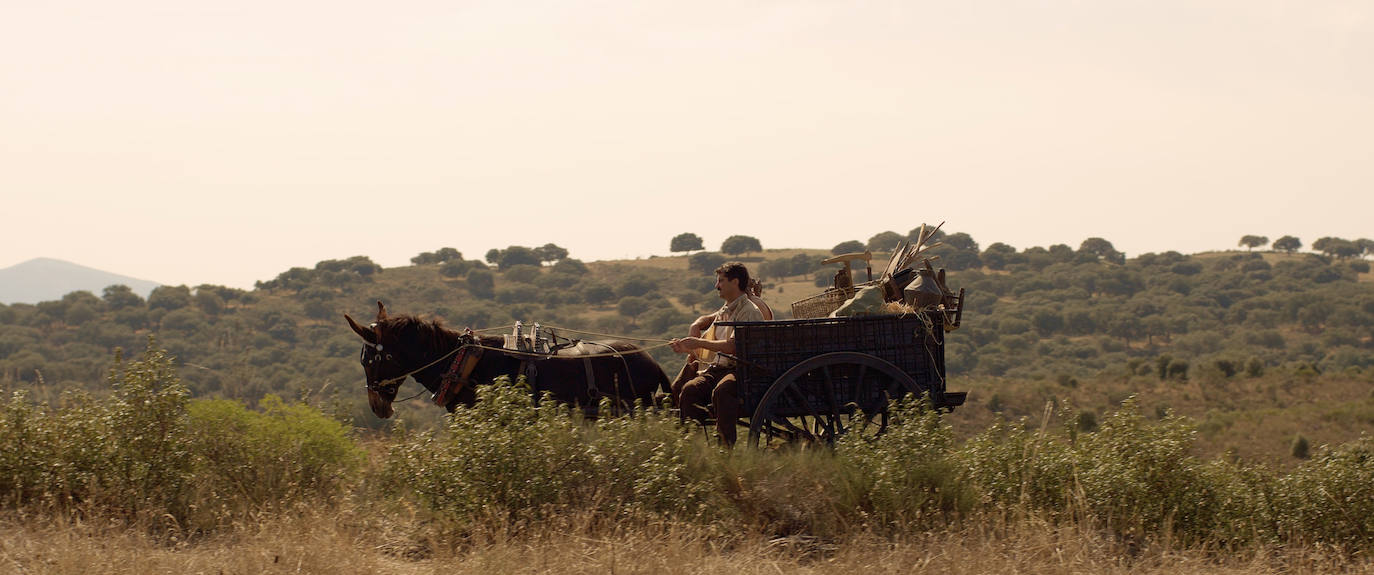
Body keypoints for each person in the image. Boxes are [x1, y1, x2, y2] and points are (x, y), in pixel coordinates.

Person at [669, 262, 765, 446]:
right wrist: (686, 348)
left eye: (721, 280)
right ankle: (691, 445)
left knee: (723, 392)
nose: (717, 285)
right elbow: (709, 345)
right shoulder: (724, 310)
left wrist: (697, 342)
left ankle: (724, 446)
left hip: (742, 371)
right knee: (689, 390)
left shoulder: (749, 312)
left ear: (735, 282)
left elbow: (733, 347)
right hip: (717, 369)